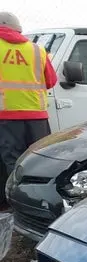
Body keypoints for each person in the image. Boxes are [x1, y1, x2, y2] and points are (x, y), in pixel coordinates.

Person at [0, 12, 57, 199]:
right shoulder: (37, 50)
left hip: (6, 116)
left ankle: (17, 203)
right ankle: (42, 199)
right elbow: (51, 80)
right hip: (37, 116)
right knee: (40, 160)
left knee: (11, 162)